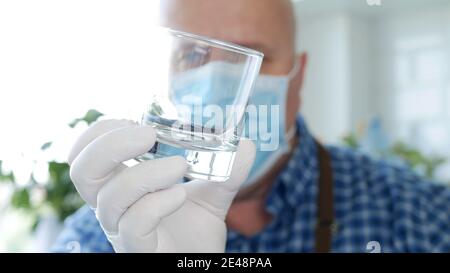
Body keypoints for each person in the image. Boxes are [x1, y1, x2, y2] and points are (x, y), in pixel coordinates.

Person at [53, 0, 450, 253]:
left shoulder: (421, 220)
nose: (218, 77)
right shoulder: (102, 233)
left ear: (299, 75)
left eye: (253, 55)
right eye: (192, 53)